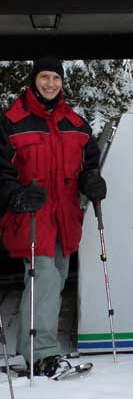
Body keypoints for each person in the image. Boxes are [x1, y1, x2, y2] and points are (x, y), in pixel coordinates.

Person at [0, 56, 107, 377]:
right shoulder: (12, 121)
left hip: (64, 217)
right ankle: (41, 353)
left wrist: (92, 180)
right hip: (31, 216)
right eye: (45, 77)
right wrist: (15, 194)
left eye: (56, 78)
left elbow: (89, 163)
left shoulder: (74, 123)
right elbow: (2, 169)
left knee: (55, 280)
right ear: (34, 80)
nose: (50, 83)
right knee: (44, 279)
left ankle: (35, 346)